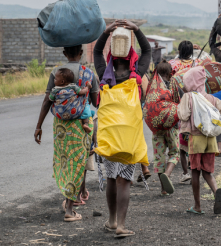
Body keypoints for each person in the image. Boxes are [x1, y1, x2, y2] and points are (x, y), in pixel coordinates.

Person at [93, 19, 151, 238]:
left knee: (111, 177)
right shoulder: (137, 76)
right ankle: (121, 226)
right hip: (128, 135)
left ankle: (111, 220)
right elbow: (146, 50)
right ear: (130, 52)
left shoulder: (104, 74)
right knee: (123, 179)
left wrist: (106, 32)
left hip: (108, 133)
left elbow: (97, 51)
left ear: (112, 54)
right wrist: (136, 30)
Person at [34, 45, 99, 222]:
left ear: (64, 53)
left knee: (65, 162)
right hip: (81, 124)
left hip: (61, 127)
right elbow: (96, 101)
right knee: (78, 163)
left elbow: (47, 100)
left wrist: (39, 126)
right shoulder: (88, 73)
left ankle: (73, 198)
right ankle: (70, 209)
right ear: (81, 53)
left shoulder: (57, 72)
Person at [177, 66, 221, 215]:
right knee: (207, 172)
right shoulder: (211, 98)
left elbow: (183, 115)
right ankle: (216, 192)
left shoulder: (188, 97)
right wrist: (220, 125)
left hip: (196, 139)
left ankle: (197, 206)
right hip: (211, 139)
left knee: (195, 172)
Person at [143, 60, 180, 195]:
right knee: (174, 153)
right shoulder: (173, 83)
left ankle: (163, 189)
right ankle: (168, 174)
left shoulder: (152, 86)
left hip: (156, 127)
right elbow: (177, 101)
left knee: (159, 156)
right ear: (170, 73)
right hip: (170, 126)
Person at [169, 40, 199, 184]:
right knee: (193, 135)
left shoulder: (173, 65)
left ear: (179, 51)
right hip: (196, 104)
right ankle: (192, 166)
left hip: (179, 105)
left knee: (181, 139)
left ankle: (185, 172)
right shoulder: (197, 64)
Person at [48, 68, 93, 133]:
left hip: (59, 114)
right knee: (85, 105)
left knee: (53, 105)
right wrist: (87, 87)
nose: (54, 80)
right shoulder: (73, 86)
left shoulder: (55, 90)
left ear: (62, 82)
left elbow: (50, 99)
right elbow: (82, 92)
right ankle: (85, 124)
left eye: (55, 79)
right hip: (74, 112)